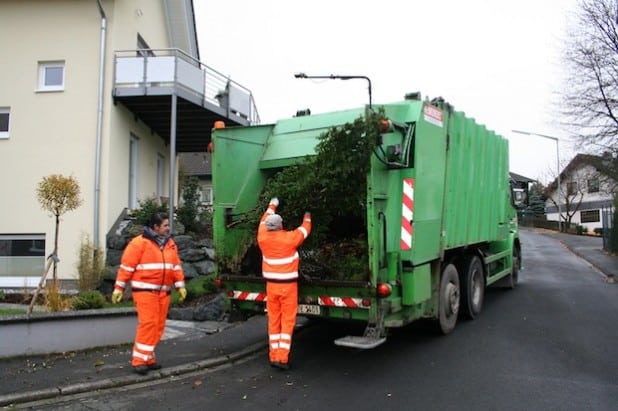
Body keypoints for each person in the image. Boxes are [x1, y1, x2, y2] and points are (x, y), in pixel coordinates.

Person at [111, 212, 187, 375]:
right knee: (148, 324)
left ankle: (148, 358)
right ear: (156, 227)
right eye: (165, 225)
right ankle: (139, 361)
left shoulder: (170, 244)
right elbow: (126, 267)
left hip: (163, 293)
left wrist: (180, 286)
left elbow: (176, 267)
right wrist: (119, 288)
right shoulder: (138, 243)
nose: (168, 228)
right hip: (145, 291)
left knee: (158, 327)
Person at [257, 197, 312, 370]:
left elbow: (264, 218)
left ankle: (273, 356)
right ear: (280, 225)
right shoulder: (289, 239)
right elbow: (305, 230)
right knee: (287, 322)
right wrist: (308, 215)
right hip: (288, 287)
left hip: (271, 287)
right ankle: (282, 358)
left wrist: (272, 204)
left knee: (274, 320)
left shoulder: (262, 237)